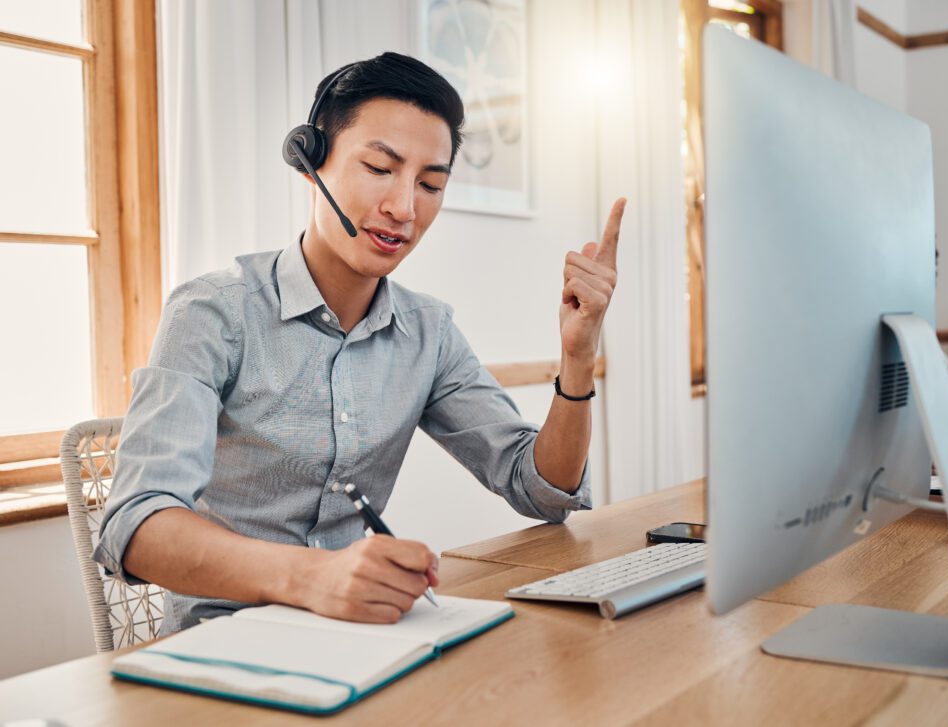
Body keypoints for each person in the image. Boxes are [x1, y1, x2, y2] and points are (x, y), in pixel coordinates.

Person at [94, 52, 626, 633]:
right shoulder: (213, 313)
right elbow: (137, 526)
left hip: (359, 637)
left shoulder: (428, 332)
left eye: (430, 184)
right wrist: (313, 577)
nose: (404, 208)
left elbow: (543, 491)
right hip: (224, 646)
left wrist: (578, 359)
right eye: (379, 167)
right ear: (309, 160)